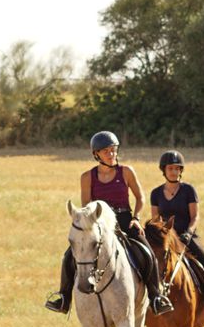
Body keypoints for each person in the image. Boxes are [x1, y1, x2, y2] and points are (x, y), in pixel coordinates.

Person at [45, 131, 171, 315]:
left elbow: (140, 198)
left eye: (114, 150)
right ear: (96, 154)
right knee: (68, 256)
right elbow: (87, 207)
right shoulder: (87, 177)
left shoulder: (126, 171)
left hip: (126, 220)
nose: (112, 154)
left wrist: (136, 218)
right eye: (107, 151)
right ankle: (64, 298)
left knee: (147, 253)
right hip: (100, 223)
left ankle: (156, 297)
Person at [149, 149, 204, 280]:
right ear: (164, 170)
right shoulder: (155, 193)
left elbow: (195, 216)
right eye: (170, 168)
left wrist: (189, 233)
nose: (174, 172)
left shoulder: (188, 190)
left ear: (181, 170)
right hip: (166, 237)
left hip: (186, 236)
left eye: (177, 169)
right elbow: (156, 220)